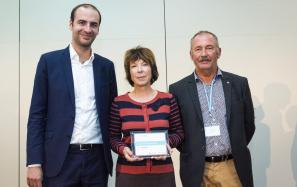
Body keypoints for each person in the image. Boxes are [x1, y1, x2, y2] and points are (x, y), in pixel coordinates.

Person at [26, 4, 117, 187]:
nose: (87, 29)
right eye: (81, 22)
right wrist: (34, 162)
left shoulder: (106, 67)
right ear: (71, 24)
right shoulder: (48, 62)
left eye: (93, 24)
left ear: (98, 29)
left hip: (97, 160)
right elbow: (36, 115)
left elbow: (113, 113)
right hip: (59, 159)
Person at [169, 31, 255, 187]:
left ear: (219, 52)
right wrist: (194, 152)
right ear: (191, 54)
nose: (203, 54)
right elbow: (177, 130)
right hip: (197, 170)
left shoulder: (239, 84)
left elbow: (248, 126)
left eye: (209, 48)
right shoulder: (178, 89)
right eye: (198, 49)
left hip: (232, 167)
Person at [109, 46, 184, 187]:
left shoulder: (168, 99)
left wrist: (167, 144)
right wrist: (123, 149)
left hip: (163, 173)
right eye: (134, 66)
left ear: (152, 69)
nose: (140, 70)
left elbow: (178, 132)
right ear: (129, 72)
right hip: (128, 175)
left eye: (145, 64)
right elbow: (112, 137)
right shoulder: (119, 103)